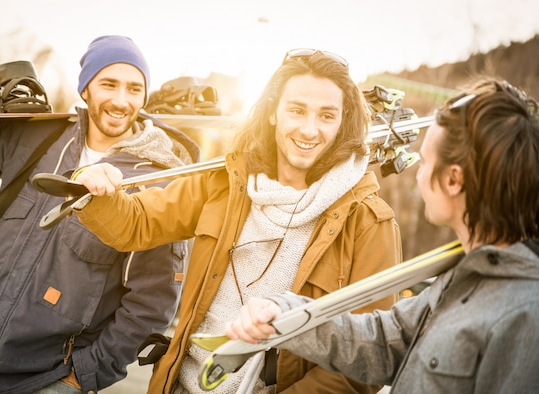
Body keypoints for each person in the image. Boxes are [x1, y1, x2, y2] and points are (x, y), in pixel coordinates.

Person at [72, 49, 403, 393]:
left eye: (326, 116)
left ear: (341, 123)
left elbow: (365, 362)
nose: (309, 129)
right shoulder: (226, 182)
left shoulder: (369, 221)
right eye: (296, 110)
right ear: (273, 113)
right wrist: (95, 185)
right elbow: (135, 223)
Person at [0, 35, 199, 393]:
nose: (121, 100)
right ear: (86, 89)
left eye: (134, 88)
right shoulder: (39, 142)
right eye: (108, 84)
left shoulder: (155, 183)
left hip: (45, 381)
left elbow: (152, 304)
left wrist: (82, 377)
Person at [225, 76, 539, 393]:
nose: (419, 173)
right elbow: (385, 341)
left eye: (427, 162)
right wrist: (287, 314)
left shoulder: (524, 316)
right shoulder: (463, 275)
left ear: (454, 180)